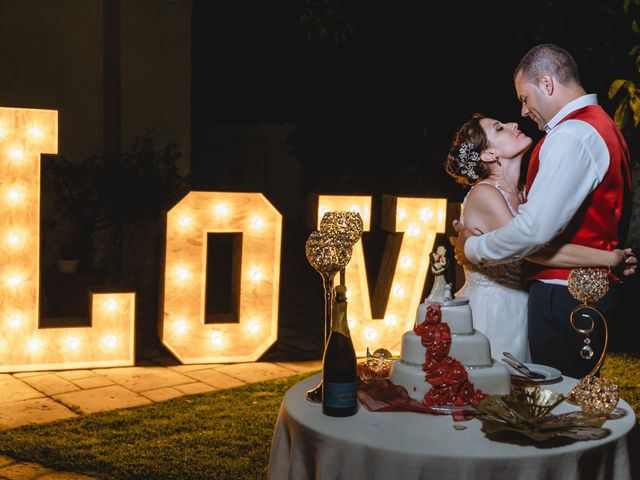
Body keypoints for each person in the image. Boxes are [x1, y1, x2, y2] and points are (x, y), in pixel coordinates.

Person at [449, 43, 635, 379]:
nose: (522, 113)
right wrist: (609, 258)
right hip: (558, 298)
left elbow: (533, 235)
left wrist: (471, 248)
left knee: (557, 404)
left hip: (564, 297)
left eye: (524, 98)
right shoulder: (602, 128)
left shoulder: (571, 136)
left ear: (547, 84)